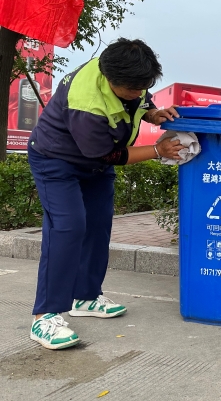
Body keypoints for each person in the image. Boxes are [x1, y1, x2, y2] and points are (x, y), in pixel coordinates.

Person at [27, 38, 184, 350]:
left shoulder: (125, 73)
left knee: (98, 226)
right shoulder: (87, 104)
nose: (140, 93)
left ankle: (85, 296)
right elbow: (108, 155)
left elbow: (138, 100)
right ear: (111, 80)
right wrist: (156, 150)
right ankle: (45, 315)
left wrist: (152, 112)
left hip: (94, 164)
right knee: (68, 227)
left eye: (145, 86)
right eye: (133, 88)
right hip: (57, 161)